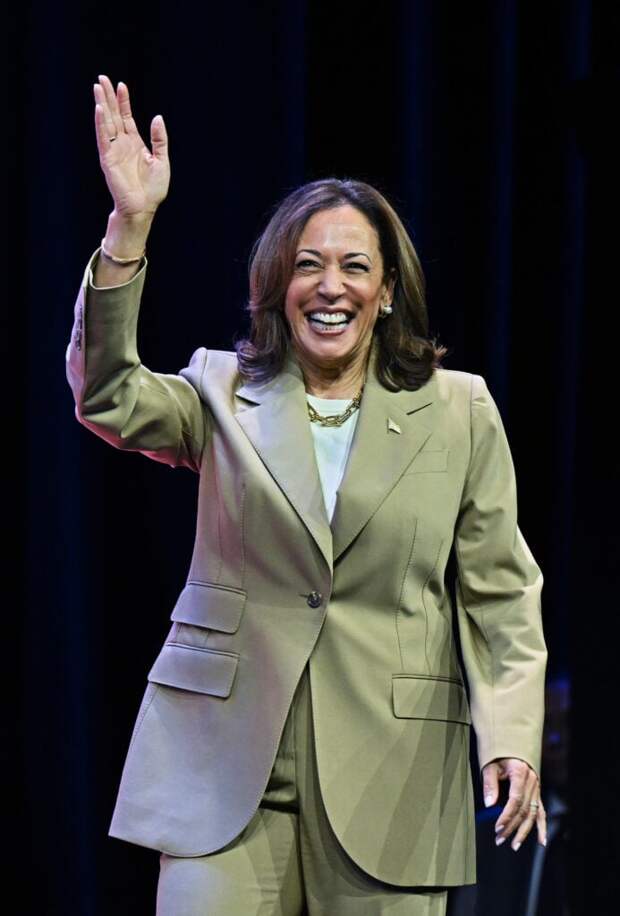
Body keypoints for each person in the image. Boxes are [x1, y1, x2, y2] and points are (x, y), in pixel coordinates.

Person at [65, 74, 549, 916]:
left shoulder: (459, 410)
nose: (331, 286)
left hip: (390, 772)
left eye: (355, 267)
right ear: (277, 287)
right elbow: (104, 393)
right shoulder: (220, 393)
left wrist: (511, 738)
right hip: (224, 768)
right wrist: (129, 228)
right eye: (308, 266)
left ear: (387, 290)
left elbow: (501, 593)